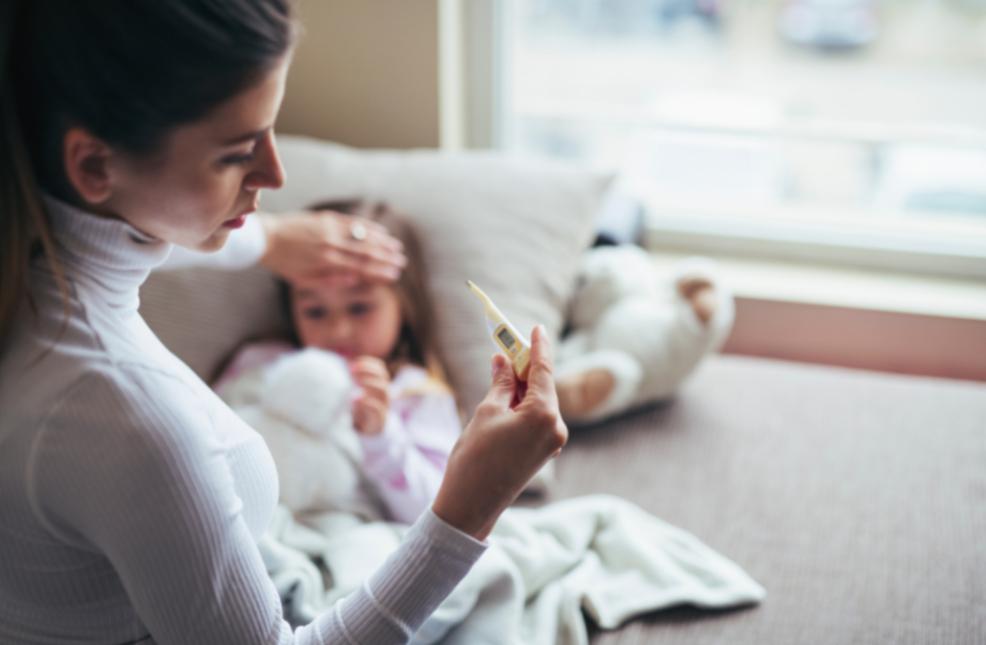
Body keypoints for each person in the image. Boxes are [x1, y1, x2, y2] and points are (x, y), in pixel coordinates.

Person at [0, 2, 567, 644]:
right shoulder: (131, 416)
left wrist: (269, 240)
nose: (275, 173)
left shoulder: (31, 279)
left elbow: (135, 238)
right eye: (237, 153)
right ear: (95, 167)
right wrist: (468, 511)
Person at [213, 200, 459, 524]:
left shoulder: (416, 393)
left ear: (405, 304)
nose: (338, 330)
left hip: (354, 530)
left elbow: (437, 512)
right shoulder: (260, 362)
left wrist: (382, 437)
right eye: (315, 311)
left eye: (360, 308)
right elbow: (205, 438)